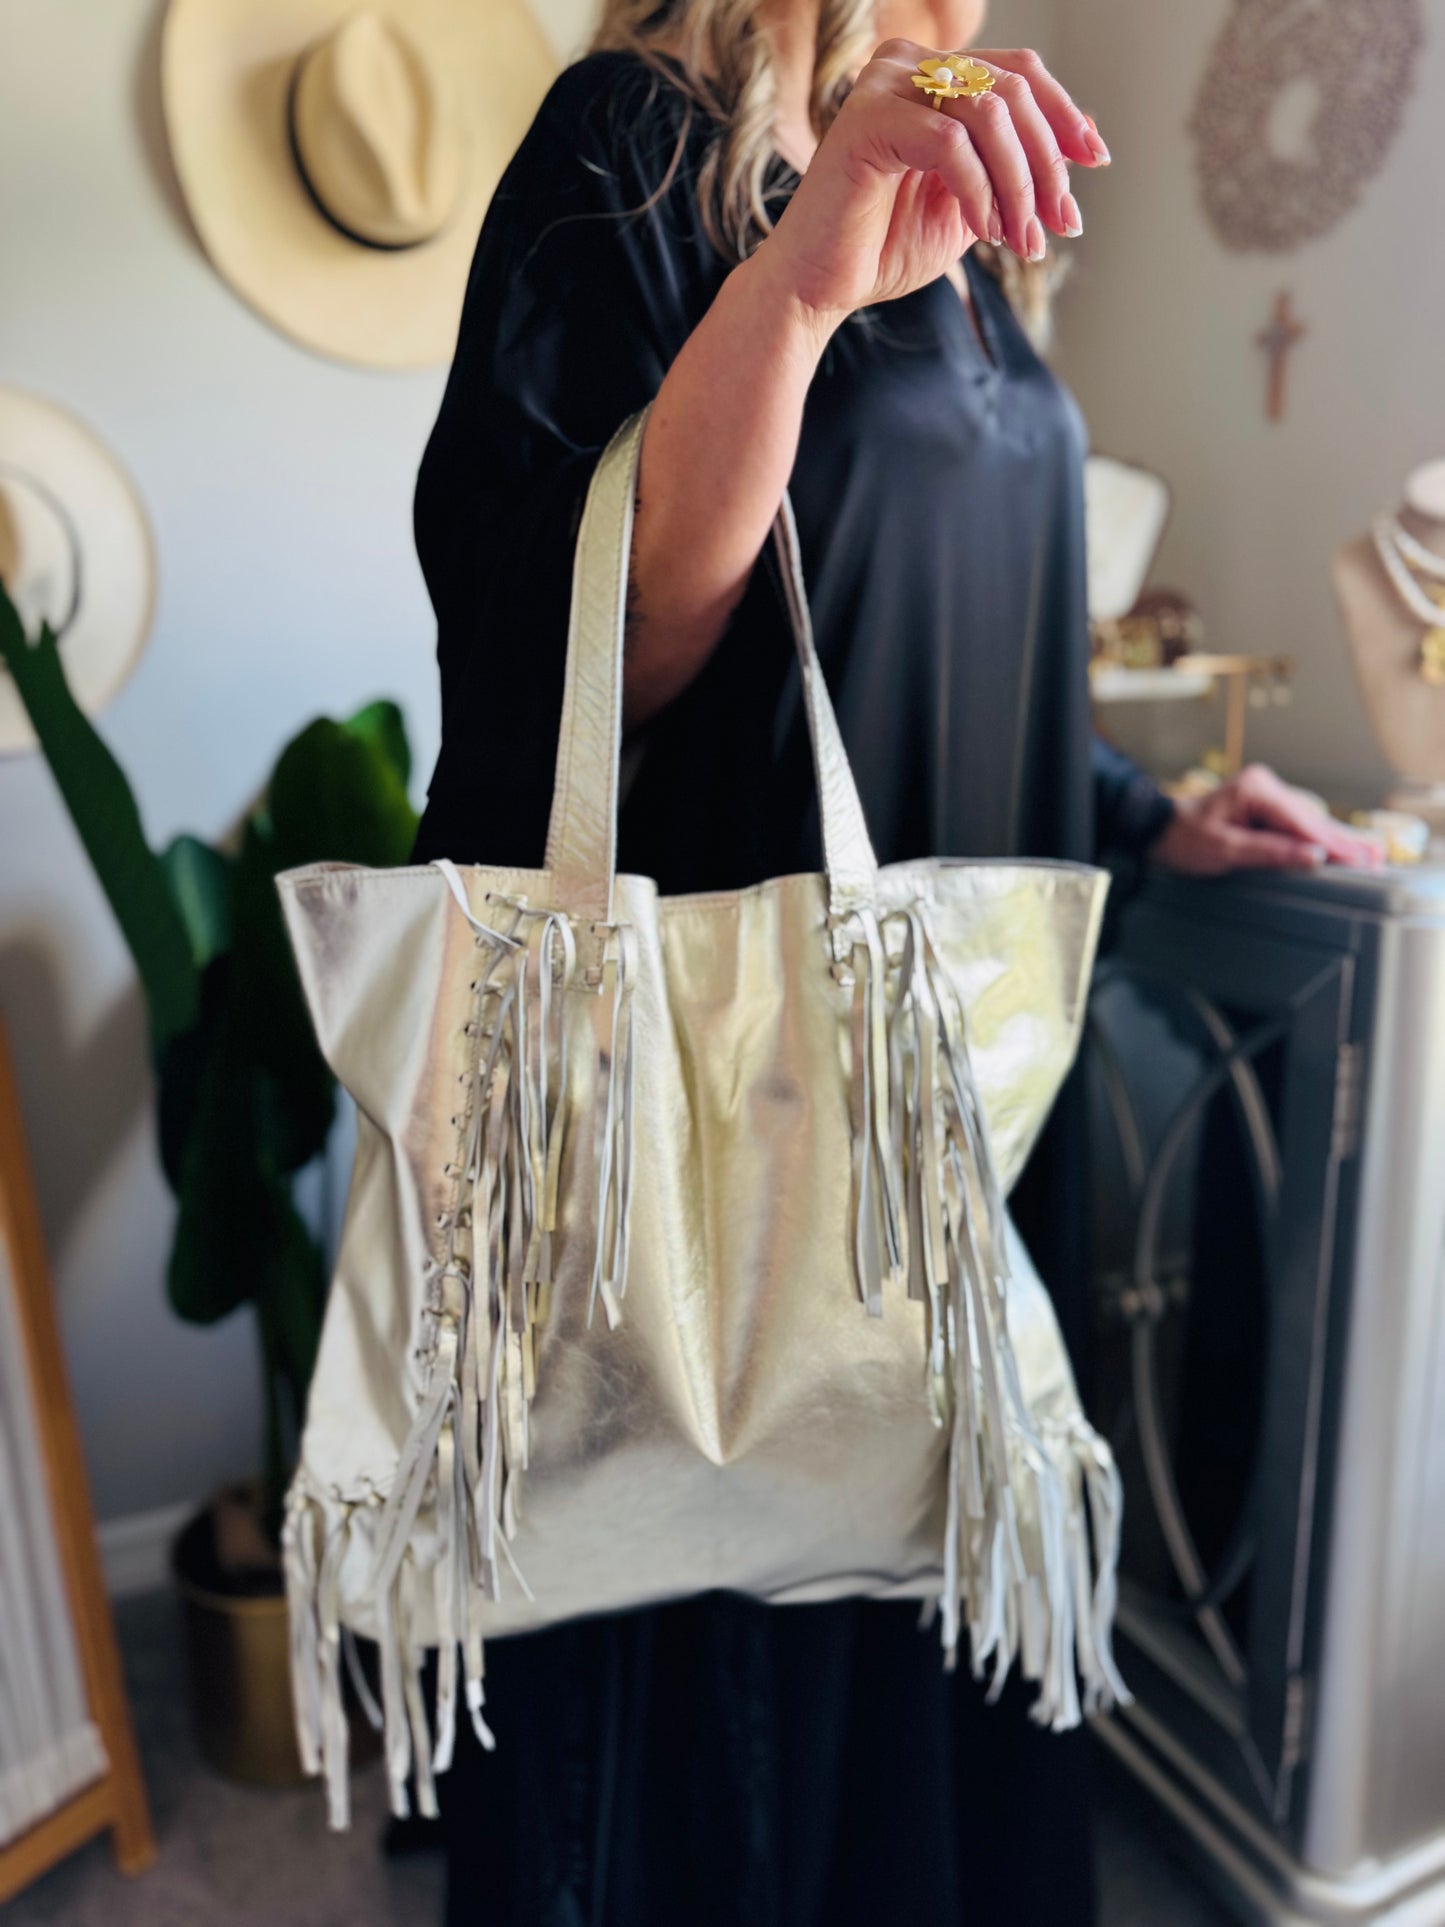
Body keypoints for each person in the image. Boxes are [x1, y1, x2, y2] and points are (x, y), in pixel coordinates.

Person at [408, 4, 1378, 1921]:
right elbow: (570, 662)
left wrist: (1133, 803)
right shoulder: (627, 141)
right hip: (736, 1089)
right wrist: (791, 278)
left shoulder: (944, 173)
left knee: (930, 1575)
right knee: (741, 1603)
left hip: (957, 1058)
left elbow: (927, 603)